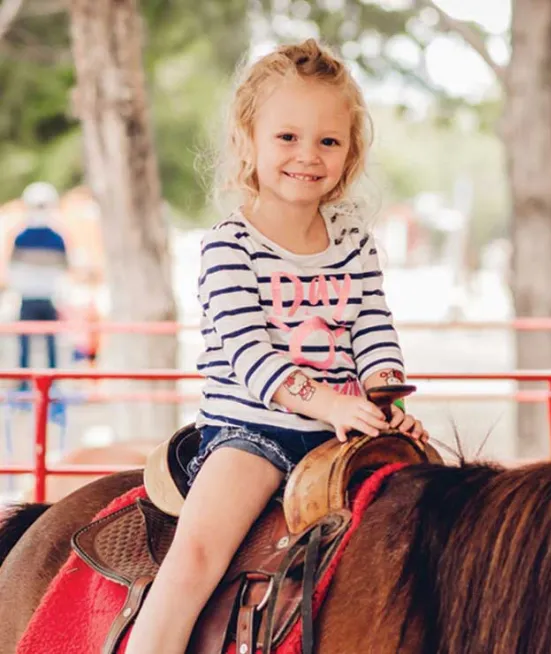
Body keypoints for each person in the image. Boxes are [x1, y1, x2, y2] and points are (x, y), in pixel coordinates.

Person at [125, 39, 429, 653]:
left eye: (328, 141)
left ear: (349, 152)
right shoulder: (228, 245)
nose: (307, 157)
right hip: (253, 428)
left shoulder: (353, 240)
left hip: (343, 428)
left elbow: (371, 323)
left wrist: (381, 390)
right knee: (198, 556)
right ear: (249, 141)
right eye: (287, 138)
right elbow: (248, 355)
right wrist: (327, 403)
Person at [7, 182, 68, 390]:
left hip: (32, 296)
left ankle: (26, 384)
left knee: (28, 344)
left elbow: (13, 268)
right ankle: (49, 384)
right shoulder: (57, 237)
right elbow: (64, 268)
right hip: (45, 296)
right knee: (47, 344)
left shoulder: (22, 237)